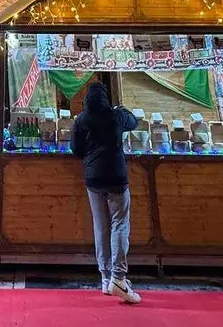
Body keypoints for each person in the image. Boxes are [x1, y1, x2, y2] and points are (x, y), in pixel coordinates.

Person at [71, 82, 141, 304]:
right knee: (120, 224)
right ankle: (118, 278)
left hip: (93, 180)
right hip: (117, 179)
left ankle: (105, 277)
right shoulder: (116, 116)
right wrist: (122, 108)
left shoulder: (80, 120)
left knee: (101, 226)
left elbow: (76, 150)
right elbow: (134, 122)